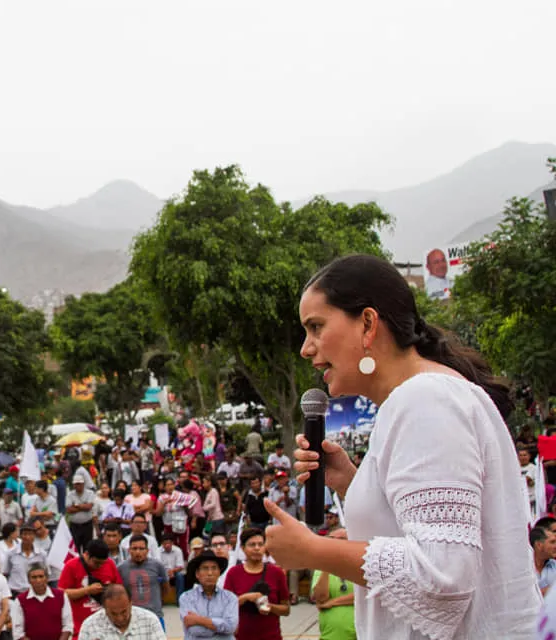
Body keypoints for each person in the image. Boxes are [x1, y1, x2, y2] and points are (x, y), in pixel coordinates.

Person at [276, 254, 540, 638]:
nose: (306, 348)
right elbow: (430, 534)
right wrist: (353, 484)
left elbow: (443, 576)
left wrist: (314, 552)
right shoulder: (420, 397)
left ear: (367, 323)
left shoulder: (425, 399)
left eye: (316, 327)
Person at [223, 528, 290, 640]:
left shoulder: (276, 573)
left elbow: (286, 609)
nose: (257, 548)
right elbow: (225, 607)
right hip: (242, 636)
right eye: (252, 545)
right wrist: (245, 598)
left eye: (260, 544)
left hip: (271, 636)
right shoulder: (234, 573)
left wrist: (270, 607)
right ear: (243, 548)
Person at [57, 540, 122, 639]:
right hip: (80, 627)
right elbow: (62, 594)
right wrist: (87, 590)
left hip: (107, 626)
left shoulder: (110, 564)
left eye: (102, 563)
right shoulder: (71, 565)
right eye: (96, 563)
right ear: (86, 555)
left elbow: (119, 590)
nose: (99, 566)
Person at [179, 551, 238, 640]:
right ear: (197, 574)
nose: (210, 573)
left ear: (219, 572)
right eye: (205, 568)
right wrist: (221, 628)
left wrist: (199, 620)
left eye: (214, 568)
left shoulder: (230, 598)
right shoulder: (186, 598)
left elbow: (231, 627)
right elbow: (194, 630)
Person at [310, 528, 356, 640]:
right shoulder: (321, 567)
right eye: (331, 539)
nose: (335, 543)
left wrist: (333, 602)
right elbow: (321, 598)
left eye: (341, 539)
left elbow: (363, 596)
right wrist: (328, 565)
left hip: (358, 634)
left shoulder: (358, 565)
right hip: (330, 635)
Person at [9, 563, 73, 640]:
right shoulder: (20, 601)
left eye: (41, 576)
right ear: (29, 580)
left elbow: (68, 625)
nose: (38, 580)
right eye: (34, 577)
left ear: (47, 578)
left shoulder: (61, 596)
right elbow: (18, 632)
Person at [75, 584, 162, 640]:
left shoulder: (150, 620)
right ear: (104, 608)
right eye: (113, 614)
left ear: (131, 603)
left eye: (124, 612)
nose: (120, 618)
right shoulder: (89, 626)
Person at [116, 536, 166, 628]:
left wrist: (159, 603)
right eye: (134, 548)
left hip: (155, 616)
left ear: (147, 550)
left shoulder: (158, 566)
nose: (138, 552)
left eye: (141, 548)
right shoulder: (121, 568)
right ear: (129, 550)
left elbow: (165, 586)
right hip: (131, 618)